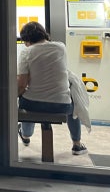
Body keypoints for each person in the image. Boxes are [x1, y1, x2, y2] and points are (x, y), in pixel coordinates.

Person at [17, 21, 88, 156]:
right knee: (74, 100)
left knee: (25, 97)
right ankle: (77, 144)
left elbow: (22, 84)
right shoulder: (61, 47)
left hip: (34, 105)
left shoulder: (26, 52)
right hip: (62, 106)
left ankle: (25, 135)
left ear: (27, 40)